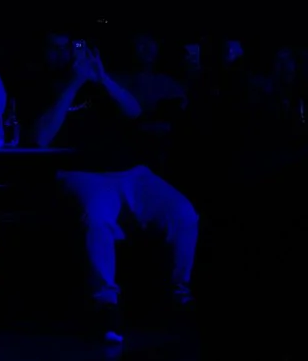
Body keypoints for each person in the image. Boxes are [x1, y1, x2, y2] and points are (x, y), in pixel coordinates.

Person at [24, 32, 199, 340]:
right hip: (81, 172)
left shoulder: (103, 83)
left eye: (71, 46)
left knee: (184, 214)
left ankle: (179, 296)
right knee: (97, 218)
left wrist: (101, 77)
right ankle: (105, 305)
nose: (66, 53)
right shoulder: (41, 86)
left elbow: (133, 111)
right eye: (56, 48)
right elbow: (39, 137)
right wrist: (74, 83)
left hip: (131, 172)